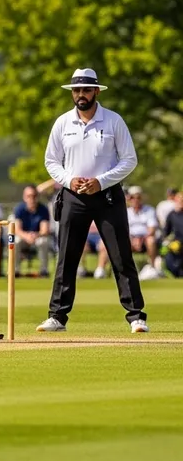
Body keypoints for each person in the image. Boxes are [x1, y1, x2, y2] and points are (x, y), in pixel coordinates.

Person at [38, 68, 148, 333]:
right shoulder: (63, 122)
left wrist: (102, 181)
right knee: (67, 257)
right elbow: (51, 160)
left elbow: (129, 160)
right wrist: (69, 179)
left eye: (86, 90)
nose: (81, 95)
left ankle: (136, 316)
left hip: (108, 196)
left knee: (121, 256)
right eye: (77, 90)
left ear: (96, 91)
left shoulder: (113, 121)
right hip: (73, 196)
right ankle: (57, 317)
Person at [13, 184, 51, 277]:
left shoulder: (43, 209)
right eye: (28, 196)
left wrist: (35, 235)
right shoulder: (19, 209)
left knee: (43, 242)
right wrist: (27, 236)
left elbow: (44, 230)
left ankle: (44, 271)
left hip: (37, 237)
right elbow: (17, 230)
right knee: (15, 241)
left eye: (34, 196)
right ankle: (15, 271)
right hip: (23, 237)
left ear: (37, 196)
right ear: (24, 197)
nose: (31, 199)